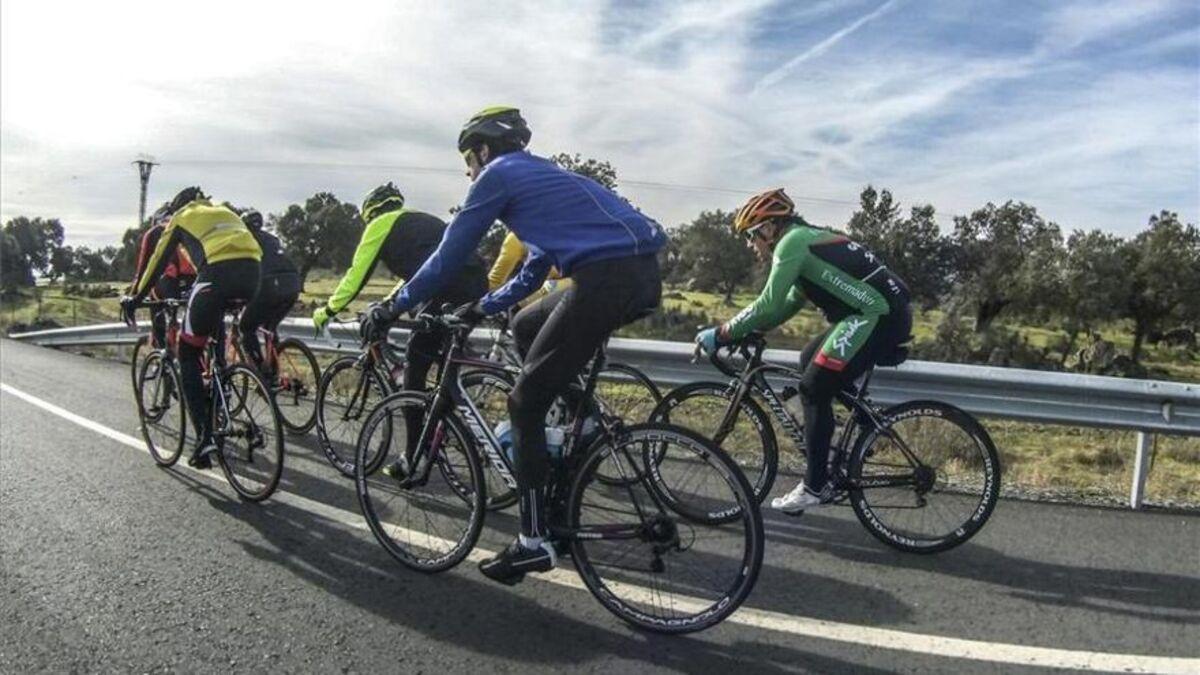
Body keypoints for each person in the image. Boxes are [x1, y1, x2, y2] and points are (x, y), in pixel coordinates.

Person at [364, 106, 666, 585]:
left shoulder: (499, 174)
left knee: (524, 403)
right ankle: (582, 422)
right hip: (635, 273)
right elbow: (532, 270)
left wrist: (393, 305)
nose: (468, 171)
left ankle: (533, 542)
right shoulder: (542, 178)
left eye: (468, 159)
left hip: (608, 277)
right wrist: (482, 308)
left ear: (483, 150)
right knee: (527, 325)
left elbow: (447, 257)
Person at [694, 188, 912, 513]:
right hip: (876, 314)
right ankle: (868, 426)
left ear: (769, 228)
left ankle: (814, 486)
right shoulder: (803, 240)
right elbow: (785, 305)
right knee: (809, 359)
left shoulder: (791, 243)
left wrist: (722, 333)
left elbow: (767, 301)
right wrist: (754, 330)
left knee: (812, 388)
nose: (751, 244)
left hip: (876, 316)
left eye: (752, 235)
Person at [311, 182, 488, 451]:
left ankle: (415, 450)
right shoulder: (420, 220)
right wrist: (389, 303)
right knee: (440, 356)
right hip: (475, 282)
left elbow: (355, 277)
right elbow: (415, 277)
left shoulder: (379, 225)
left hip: (447, 287)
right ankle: (445, 417)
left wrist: (327, 311)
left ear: (369, 212)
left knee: (415, 362)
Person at [121, 187, 262, 469]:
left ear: (175, 210)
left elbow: (156, 263)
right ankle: (221, 387)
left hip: (215, 278)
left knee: (186, 354)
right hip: (253, 275)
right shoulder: (224, 210)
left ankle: (204, 439)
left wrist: (135, 299)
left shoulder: (181, 218)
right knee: (213, 338)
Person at [238, 208, 300, 383]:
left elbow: (245, 271)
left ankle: (262, 375)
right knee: (269, 327)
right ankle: (274, 371)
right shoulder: (272, 239)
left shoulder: (245, 240)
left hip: (269, 286)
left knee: (246, 328)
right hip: (293, 284)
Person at [127, 204, 197, 352]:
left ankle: (163, 354)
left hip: (169, 282)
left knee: (156, 304)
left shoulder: (155, 232)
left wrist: (133, 296)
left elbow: (143, 269)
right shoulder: (187, 227)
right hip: (194, 280)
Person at [487, 230, 573, 308]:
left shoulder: (515, 238)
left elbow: (496, 279)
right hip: (572, 281)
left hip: (572, 283)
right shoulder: (516, 239)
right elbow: (496, 279)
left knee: (522, 301)